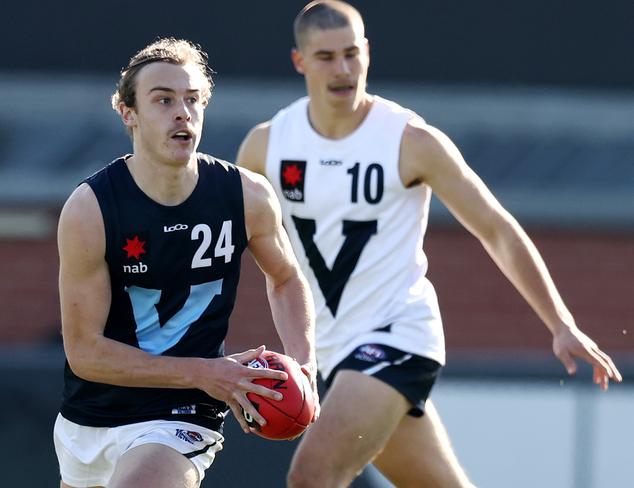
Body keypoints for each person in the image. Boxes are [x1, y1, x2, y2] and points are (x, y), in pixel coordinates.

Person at [236, 2, 623, 487]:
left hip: (398, 337)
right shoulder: (266, 145)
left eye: (353, 54)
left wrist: (561, 324)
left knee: (311, 476)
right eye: (327, 56)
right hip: (333, 355)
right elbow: (225, 248)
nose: (343, 69)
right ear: (299, 62)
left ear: (369, 54)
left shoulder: (410, 140)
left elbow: (496, 228)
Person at [53, 38, 318, 488]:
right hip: (90, 419)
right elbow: (84, 353)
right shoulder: (91, 208)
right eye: (163, 100)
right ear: (128, 113)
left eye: (193, 99)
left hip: (184, 414)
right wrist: (205, 371)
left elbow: (287, 278)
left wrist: (305, 366)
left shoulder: (246, 196)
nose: (182, 112)